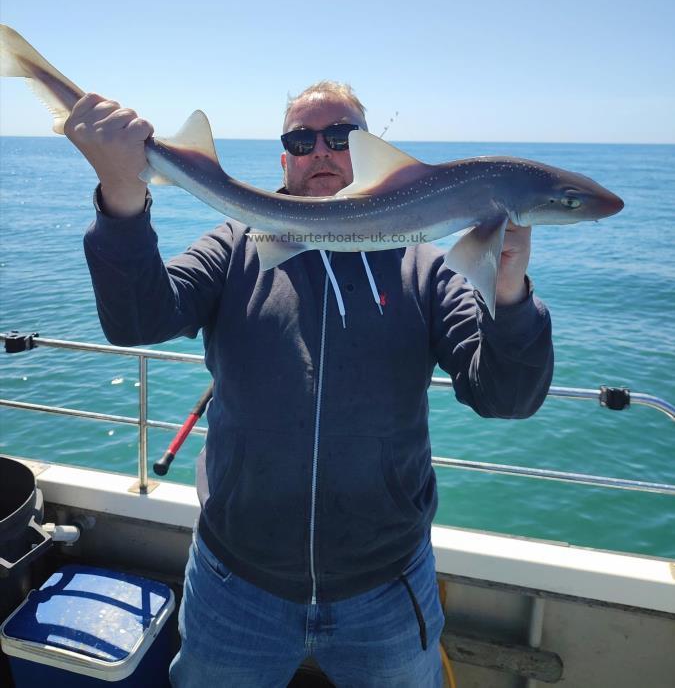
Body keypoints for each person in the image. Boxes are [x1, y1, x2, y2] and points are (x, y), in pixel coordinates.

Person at [65, 81, 553, 688]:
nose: (320, 150)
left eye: (341, 136)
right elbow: (137, 320)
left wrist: (508, 292)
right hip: (235, 581)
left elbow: (506, 396)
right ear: (284, 159)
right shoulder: (236, 245)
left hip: (385, 585)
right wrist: (121, 198)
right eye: (302, 139)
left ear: (371, 150)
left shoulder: (421, 264)